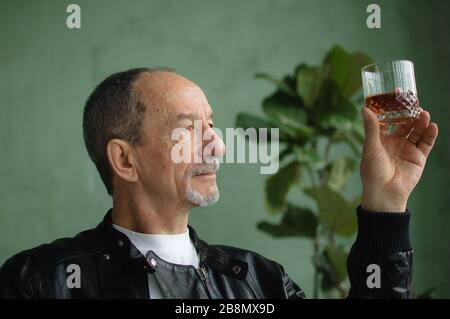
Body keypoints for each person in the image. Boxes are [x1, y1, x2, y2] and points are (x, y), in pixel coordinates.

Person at [0, 68, 438, 298]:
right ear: (124, 160)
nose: (217, 147)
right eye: (188, 129)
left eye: (212, 125)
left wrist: (385, 202)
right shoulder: (40, 282)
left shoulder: (261, 282)